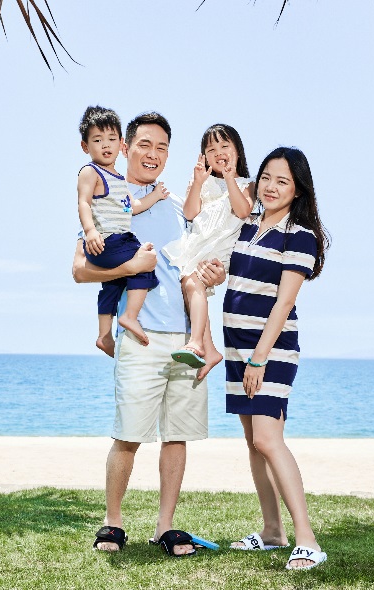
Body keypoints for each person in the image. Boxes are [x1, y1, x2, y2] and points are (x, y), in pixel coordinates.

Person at [72, 112, 226, 557]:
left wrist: (213, 276)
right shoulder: (110, 201)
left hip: (185, 341)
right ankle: (113, 523)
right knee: (128, 436)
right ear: (126, 148)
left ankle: (166, 527)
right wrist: (130, 267)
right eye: (144, 144)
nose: (153, 154)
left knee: (177, 436)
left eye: (161, 147)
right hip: (140, 339)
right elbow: (80, 269)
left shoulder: (180, 207)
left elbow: (196, 271)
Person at [223, 147, 330, 571]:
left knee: (268, 439)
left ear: (298, 189)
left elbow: (284, 302)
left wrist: (259, 358)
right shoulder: (247, 224)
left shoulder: (299, 236)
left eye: (282, 181)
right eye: (266, 177)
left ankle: (307, 540)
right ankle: (272, 532)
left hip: (270, 351)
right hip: (236, 347)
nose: (270, 186)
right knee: (254, 442)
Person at [162, 124, 254, 373]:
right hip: (198, 244)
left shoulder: (246, 184)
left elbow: (242, 210)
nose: (219, 152)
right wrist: (198, 182)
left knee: (193, 284)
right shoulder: (201, 181)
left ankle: (196, 343)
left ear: (237, 151)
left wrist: (229, 178)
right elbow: (190, 213)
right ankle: (210, 350)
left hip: (219, 247)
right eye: (211, 149)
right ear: (204, 156)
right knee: (190, 287)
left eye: (225, 146)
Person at [77, 106, 167, 356]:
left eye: (111, 139)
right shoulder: (90, 171)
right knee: (145, 262)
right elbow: (83, 202)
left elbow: (132, 207)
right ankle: (129, 316)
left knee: (112, 285)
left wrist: (156, 196)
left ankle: (104, 335)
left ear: (121, 144)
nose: (105, 145)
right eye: (97, 140)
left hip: (111, 242)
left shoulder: (117, 178)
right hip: (108, 239)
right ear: (85, 146)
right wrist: (90, 231)